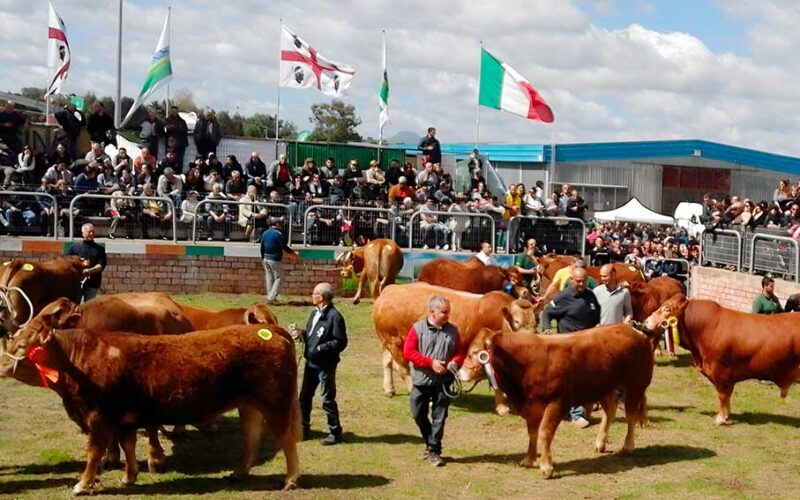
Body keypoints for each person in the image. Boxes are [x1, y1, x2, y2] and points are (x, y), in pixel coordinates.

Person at [403, 296, 464, 467]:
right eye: (444, 312)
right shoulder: (417, 329)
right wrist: (431, 363)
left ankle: (434, 451)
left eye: (448, 312)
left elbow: (460, 352)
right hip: (421, 381)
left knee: (439, 417)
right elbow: (409, 352)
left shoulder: (453, 330)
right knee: (418, 413)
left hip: (443, 382)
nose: (447, 315)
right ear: (432, 311)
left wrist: (455, 362)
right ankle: (431, 443)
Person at [540, 267, 600, 428]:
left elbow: (596, 314)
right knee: (572, 380)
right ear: (571, 280)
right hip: (567, 346)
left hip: (587, 345)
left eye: (583, 281)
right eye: (578, 281)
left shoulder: (590, 295)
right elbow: (546, 312)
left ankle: (568, 409)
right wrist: (547, 329)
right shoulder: (564, 297)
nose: (581, 284)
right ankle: (576, 414)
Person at [289, 282, 348, 446]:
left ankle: (335, 432)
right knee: (305, 397)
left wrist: (321, 348)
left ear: (321, 297)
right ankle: (303, 429)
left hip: (325, 365)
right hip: (311, 364)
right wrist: (301, 333)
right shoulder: (314, 314)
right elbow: (313, 335)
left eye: (314, 293)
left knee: (327, 399)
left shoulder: (334, 317)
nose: (311, 295)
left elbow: (340, 342)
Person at [65, 223, 106, 301]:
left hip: (93, 283)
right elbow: (66, 263)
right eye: (89, 231)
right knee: (74, 305)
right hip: (76, 283)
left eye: (93, 232)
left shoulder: (100, 249)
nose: (91, 234)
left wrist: (90, 270)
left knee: (89, 306)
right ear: (82, 233)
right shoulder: (74, 248)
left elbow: (101, 265)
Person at [260, 217, 296, 303]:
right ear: (276, 224)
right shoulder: (278, 234)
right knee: (279, 278)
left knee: (269, 278)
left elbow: (261, 247)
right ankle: (271, 298)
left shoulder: (265, 233)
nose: (282, 226)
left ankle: (270, 297)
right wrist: (292, 252)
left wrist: (262, 258)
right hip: (274, 259)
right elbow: (283, 246)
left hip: (265, 258)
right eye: (280, 224)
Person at [164, 105, 189, 170]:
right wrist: (175, 127)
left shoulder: (182, 121)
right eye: (172, 111)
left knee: (180, 160)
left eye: (175, 111)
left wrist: (174, 127)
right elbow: (166, 129)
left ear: (177, 111)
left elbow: (185, 130)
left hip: (181, 144)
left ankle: (178, 173)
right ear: (170, 111)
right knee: (169, 159)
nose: (174, 112)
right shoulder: (167, 120)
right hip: (171, 144)